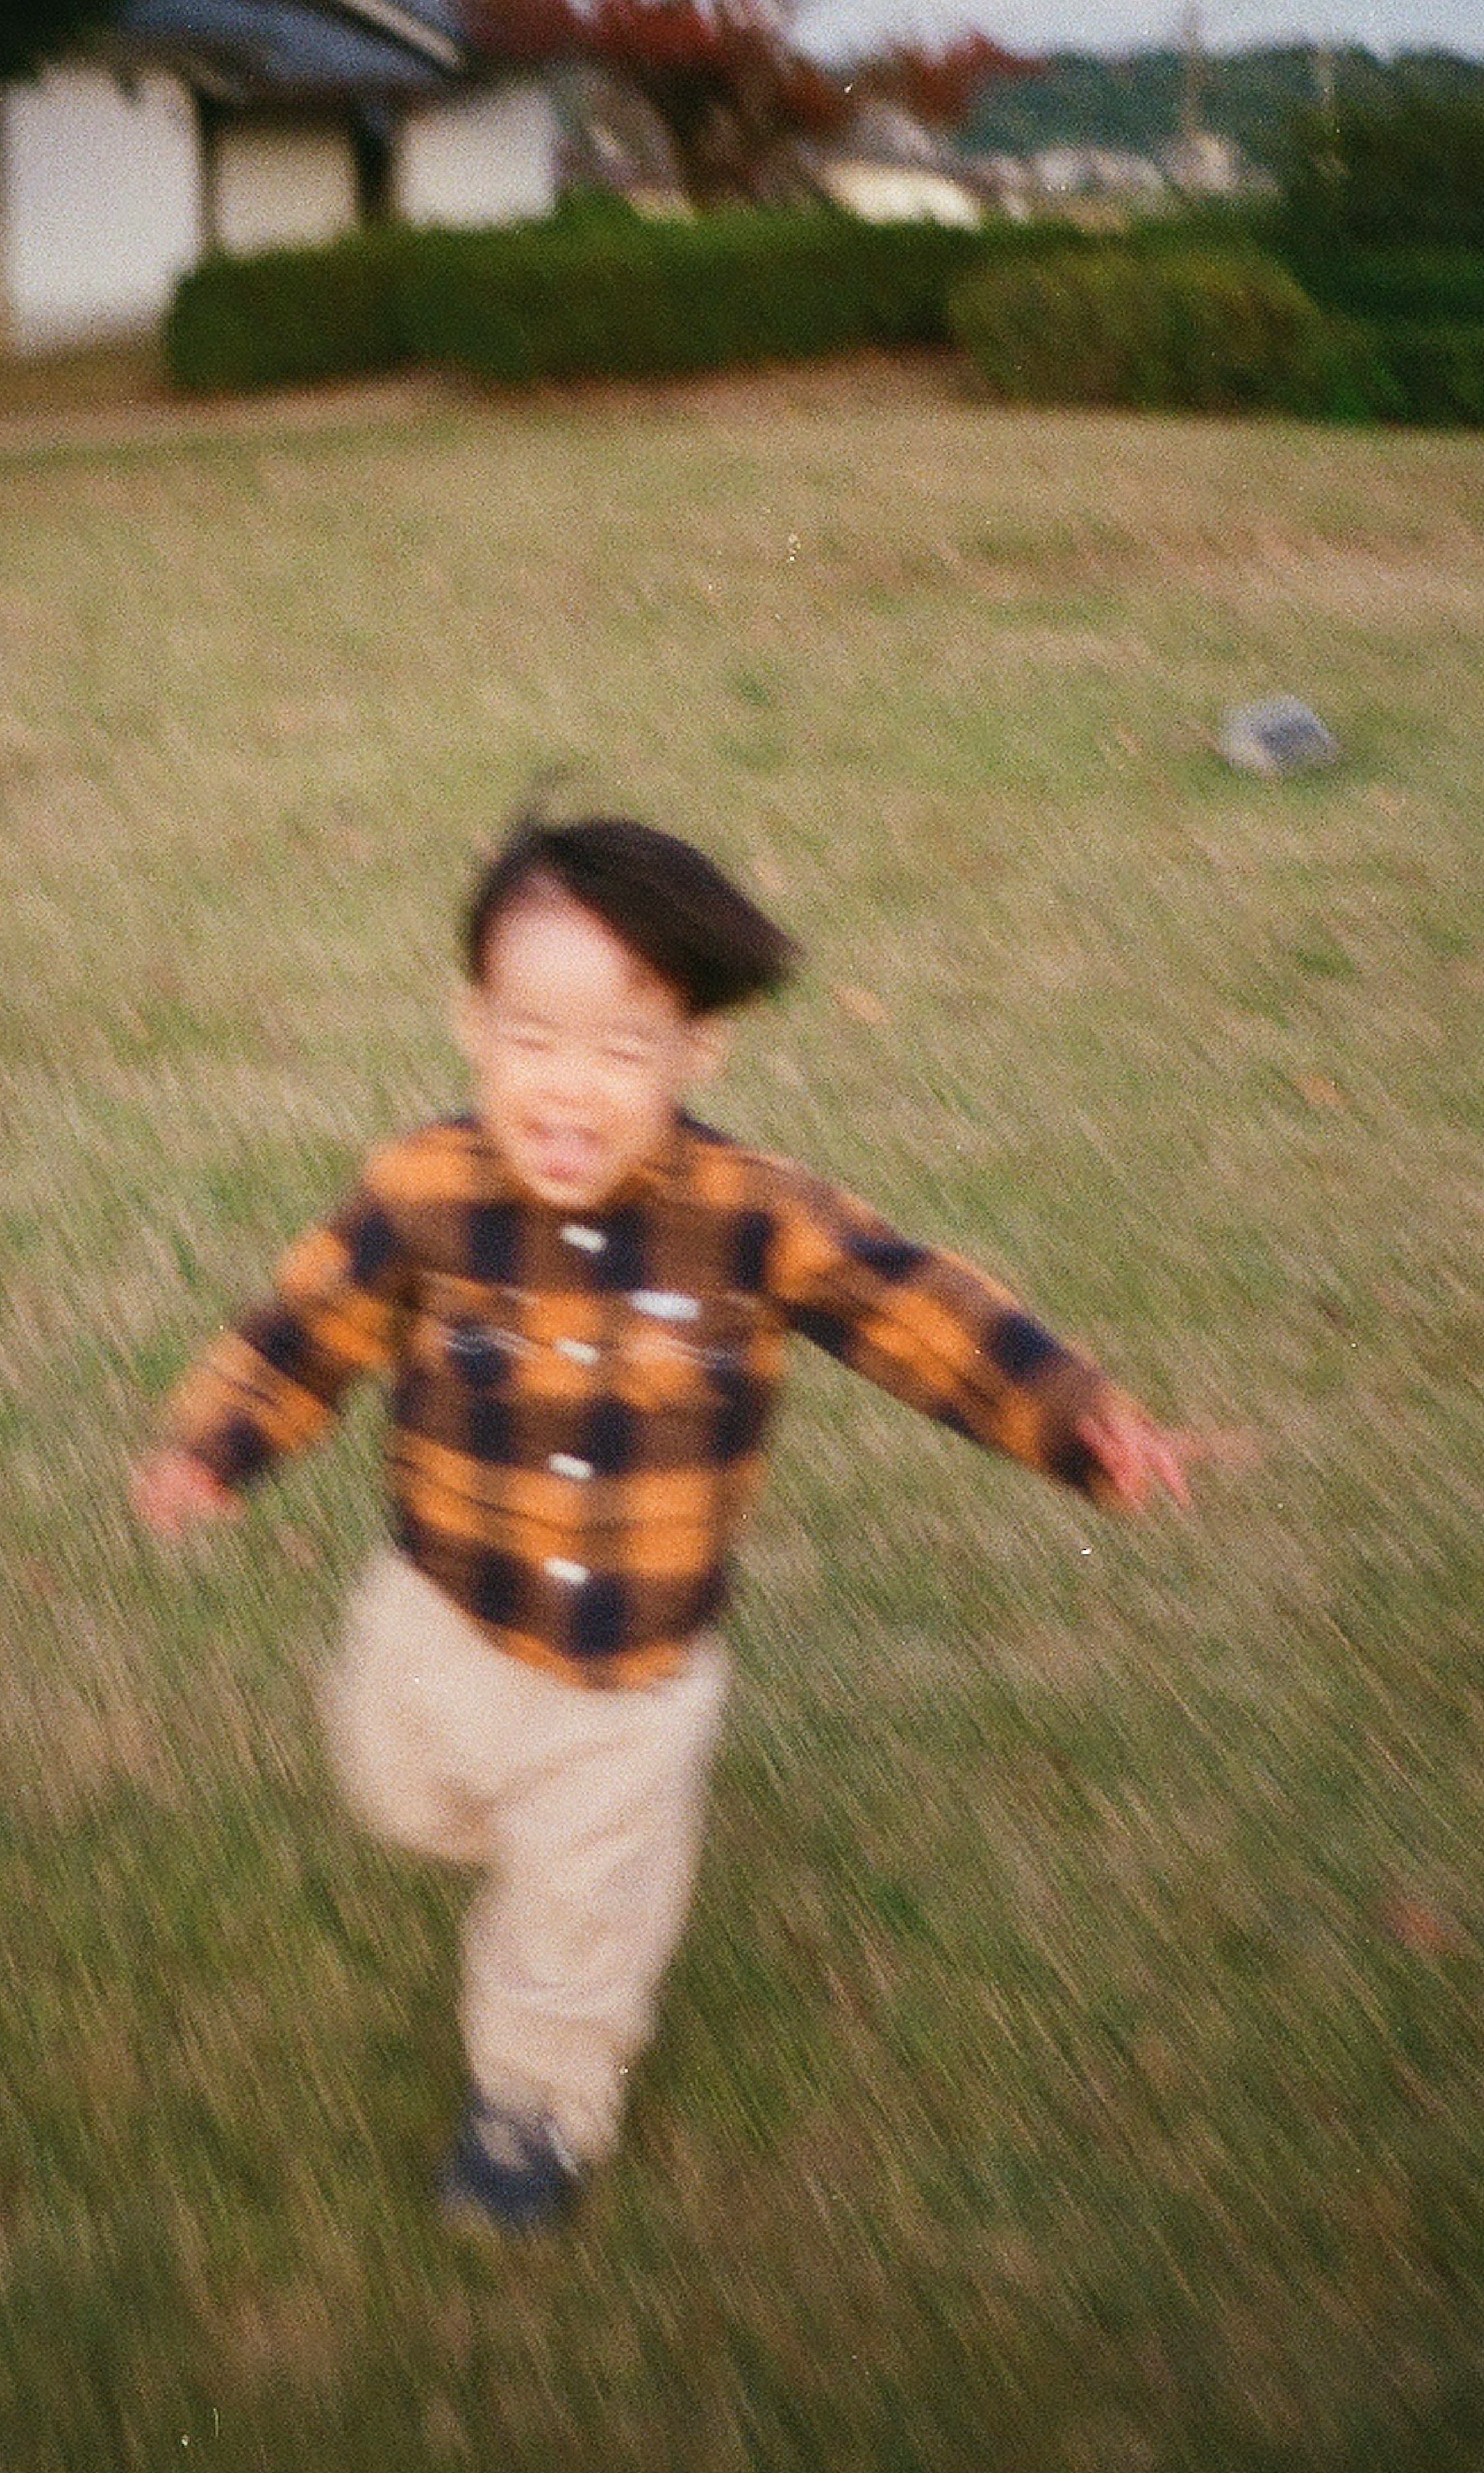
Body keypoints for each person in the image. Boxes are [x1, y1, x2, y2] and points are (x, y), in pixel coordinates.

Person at [133, 815, 1191, 2236]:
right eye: (533, 1039)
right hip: (440, 1612)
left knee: (579, 1903)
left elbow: (912, 1307)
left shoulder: (755, 1218)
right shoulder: (422, 1194)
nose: (570, 1089)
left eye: (624, 1049)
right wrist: (216, 1444)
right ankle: (539, 1864)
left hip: (633, 1674)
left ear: (698, 1055)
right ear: (472, 1028)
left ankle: (538, 2106)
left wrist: (1074, 1417)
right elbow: (303, 1330)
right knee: (403, 1798)